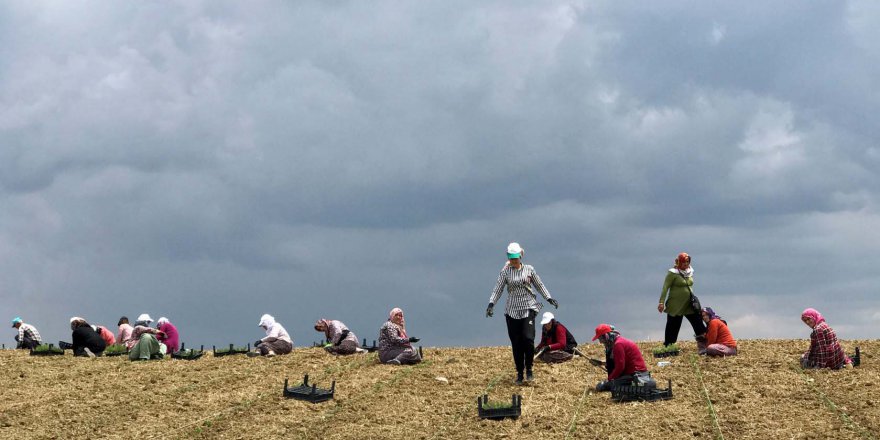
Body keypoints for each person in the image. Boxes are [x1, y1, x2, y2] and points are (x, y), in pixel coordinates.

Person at [487, 242, 559, 384]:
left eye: (516, 257)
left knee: (528, 338)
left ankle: (529, 369)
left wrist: (548, 297)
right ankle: (520, 372)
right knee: (516, 343)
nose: (514, 260)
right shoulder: (505, 272)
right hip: (512, 310)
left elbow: (539, 284)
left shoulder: (529, 269)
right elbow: (498, 289)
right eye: (511, 258)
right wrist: (491, 304)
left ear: (520, 256)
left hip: (528, 307)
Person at [658, 252, 706, 347]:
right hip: (676, 304)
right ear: (679, 262)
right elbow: (665, 287)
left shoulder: (690, 271)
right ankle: (669, 346)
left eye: (688, 261)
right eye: (684, 262)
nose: (686, 264)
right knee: (673, 326)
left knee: (698, 322)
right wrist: (661, 302)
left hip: (689, 304)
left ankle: (704, 343)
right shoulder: (672, 273)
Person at [592, 324, 649, 392]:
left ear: (606, 336)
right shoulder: (619, 342)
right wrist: (601, 363)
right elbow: (619, 362)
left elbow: (620, 367)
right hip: (637, 373)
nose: (600, 342)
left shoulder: (618, 345)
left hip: (635, 375)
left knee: (603, 386)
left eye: (601, 338)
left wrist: (609, 379)